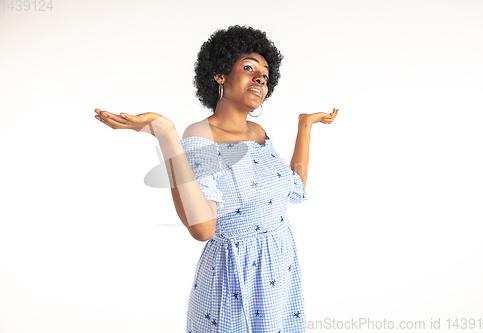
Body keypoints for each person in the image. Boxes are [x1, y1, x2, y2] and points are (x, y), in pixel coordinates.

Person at [94, 25, 338, 333]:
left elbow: (295, 190)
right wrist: (167, 134)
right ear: (220, 75)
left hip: (279, 275)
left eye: (264, 72)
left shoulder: (259, 134)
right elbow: (203, 227)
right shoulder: (204, 137)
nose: (260, 77)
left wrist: (305, 127)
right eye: (248, 68)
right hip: (235, 282)